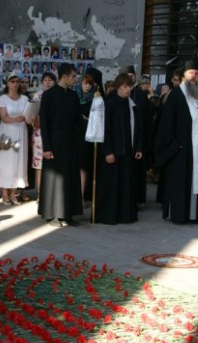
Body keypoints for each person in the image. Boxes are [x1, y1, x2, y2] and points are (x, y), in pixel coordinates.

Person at [155, 59, 198, 225]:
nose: (194, 76)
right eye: (191, 73)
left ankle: (197, 214)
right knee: (180, 182)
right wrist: (174, 145)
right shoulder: (175, 95)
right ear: (184, 75)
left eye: (197, 74)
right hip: (181, 148)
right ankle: (179, 215)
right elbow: (166, 123)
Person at [38, 63, 83, 227]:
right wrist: (47, 147)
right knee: (54, 179)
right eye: (73, 76)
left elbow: (78, 120)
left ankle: (67, 213)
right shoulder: (49, 95)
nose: (75, 79)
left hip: (70, 142)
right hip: (54, 143)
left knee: (69, 177)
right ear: (64, 76)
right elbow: (44, 122)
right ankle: (53, 214)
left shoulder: (73, 96)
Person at [94, 73, 143, 224]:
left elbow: (137, 128)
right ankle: (110, 215)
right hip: (113, 152)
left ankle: (125, 214)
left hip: (127, 151)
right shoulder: (109, 103)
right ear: (117, 87)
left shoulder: (131, 104)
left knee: (126, 184)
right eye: (125, 87)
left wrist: (138, 147)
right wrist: (108, 150)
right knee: (112, 185)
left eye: (130, 86)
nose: (128, 90)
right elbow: (105, 129)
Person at [0, 73, 29, 205]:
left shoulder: (25, 98)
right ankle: (4, 193)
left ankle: (13, 193)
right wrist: (16, 119)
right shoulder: (3, 98)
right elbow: (3, 117)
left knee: (19, 162)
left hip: (21, 132)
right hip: (7, 132)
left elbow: (29, 114)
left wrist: (28, 118)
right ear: (8, 83)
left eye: (17, 81)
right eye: (13, 81)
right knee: (6, 162)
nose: (15, 83)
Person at [119, 65, 149, 206]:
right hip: (122, 142)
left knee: (138, 172)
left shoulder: (140, 94)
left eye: (132, 75)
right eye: (128, 75)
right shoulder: (116, 95)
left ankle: (138, 199)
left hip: (138, 138)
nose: (131, 78)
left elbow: (146, 119)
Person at [30, 72, 56, 202]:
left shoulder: (58, 95)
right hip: (39, 134)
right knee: (39, 166)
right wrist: (34, 121)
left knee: (53, 164)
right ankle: (40, 194)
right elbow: (31, 116)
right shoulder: (37, 95)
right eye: (45, 80)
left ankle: (51, 193)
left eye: (50, 80)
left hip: (54, 134)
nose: (48, 82)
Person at [74, 72, 96, 204]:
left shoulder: (95, 99)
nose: (87, 86)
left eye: (90, 84)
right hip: (75, 135)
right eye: (85, 83)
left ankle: (81, 196)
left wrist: (86, 118)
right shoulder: (74, 97)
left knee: (83, 166)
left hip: (86, 136)